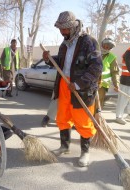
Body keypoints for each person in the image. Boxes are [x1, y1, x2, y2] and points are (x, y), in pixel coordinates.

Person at [42, 11, 102, 167]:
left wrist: (78, 84)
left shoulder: (88, 42)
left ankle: (85, 152)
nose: (62, 32)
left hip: (82, 87)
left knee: (83, 120)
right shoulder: (64, 44)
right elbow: (61, 63)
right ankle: (64, 146)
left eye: (65, 29)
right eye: (61, 29)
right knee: (62, 117)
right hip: (64, 85)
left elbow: (96, 67)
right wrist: (49, 60)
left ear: (73, 27)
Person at [98, 38, 119, 108]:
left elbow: (115, 72)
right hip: (91, 83)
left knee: (99, 102)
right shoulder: (94, 53)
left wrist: (116, 84)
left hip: (103, 85)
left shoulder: (112, 57)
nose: (106, 47)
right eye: (105, 45)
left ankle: (97, 117)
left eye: (109, 46)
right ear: (102, 45)